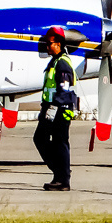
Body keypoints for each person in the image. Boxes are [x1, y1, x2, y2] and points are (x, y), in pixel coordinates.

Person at [34, 26, 77, 191]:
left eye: (49, 43)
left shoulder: (62, 64)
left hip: (59, 109)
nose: (47, 46)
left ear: (58, 44)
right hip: (51, 108)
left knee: (59, 142)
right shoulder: (55, 61)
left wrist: (52, 109)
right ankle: (61, 173)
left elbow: (64, 89)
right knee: (42, 139)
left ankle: (62, 178)